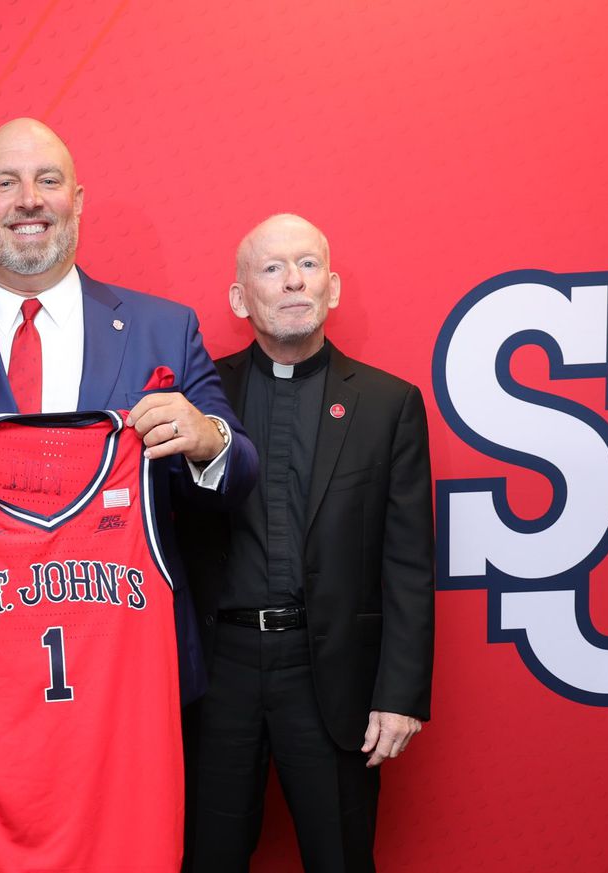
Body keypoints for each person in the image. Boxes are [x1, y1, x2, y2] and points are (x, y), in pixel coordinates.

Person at [0, 117, 258, 704]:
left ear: (78, 200)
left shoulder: (165, 329)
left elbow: (238, 475)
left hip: (129, 674)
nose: (29, 200)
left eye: (48, 180)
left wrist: (208, 440)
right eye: (6, 183)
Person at [181, 214, 435, 872]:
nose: (293, 280)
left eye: (308, 265)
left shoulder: (389, 404)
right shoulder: (197, 398)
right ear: (241, 298)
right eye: (271, 268)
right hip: (218, 672)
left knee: (341, 857)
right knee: (205, 856)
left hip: (331, 672)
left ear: (334, 287)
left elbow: (407, 562)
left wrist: (401, 693)